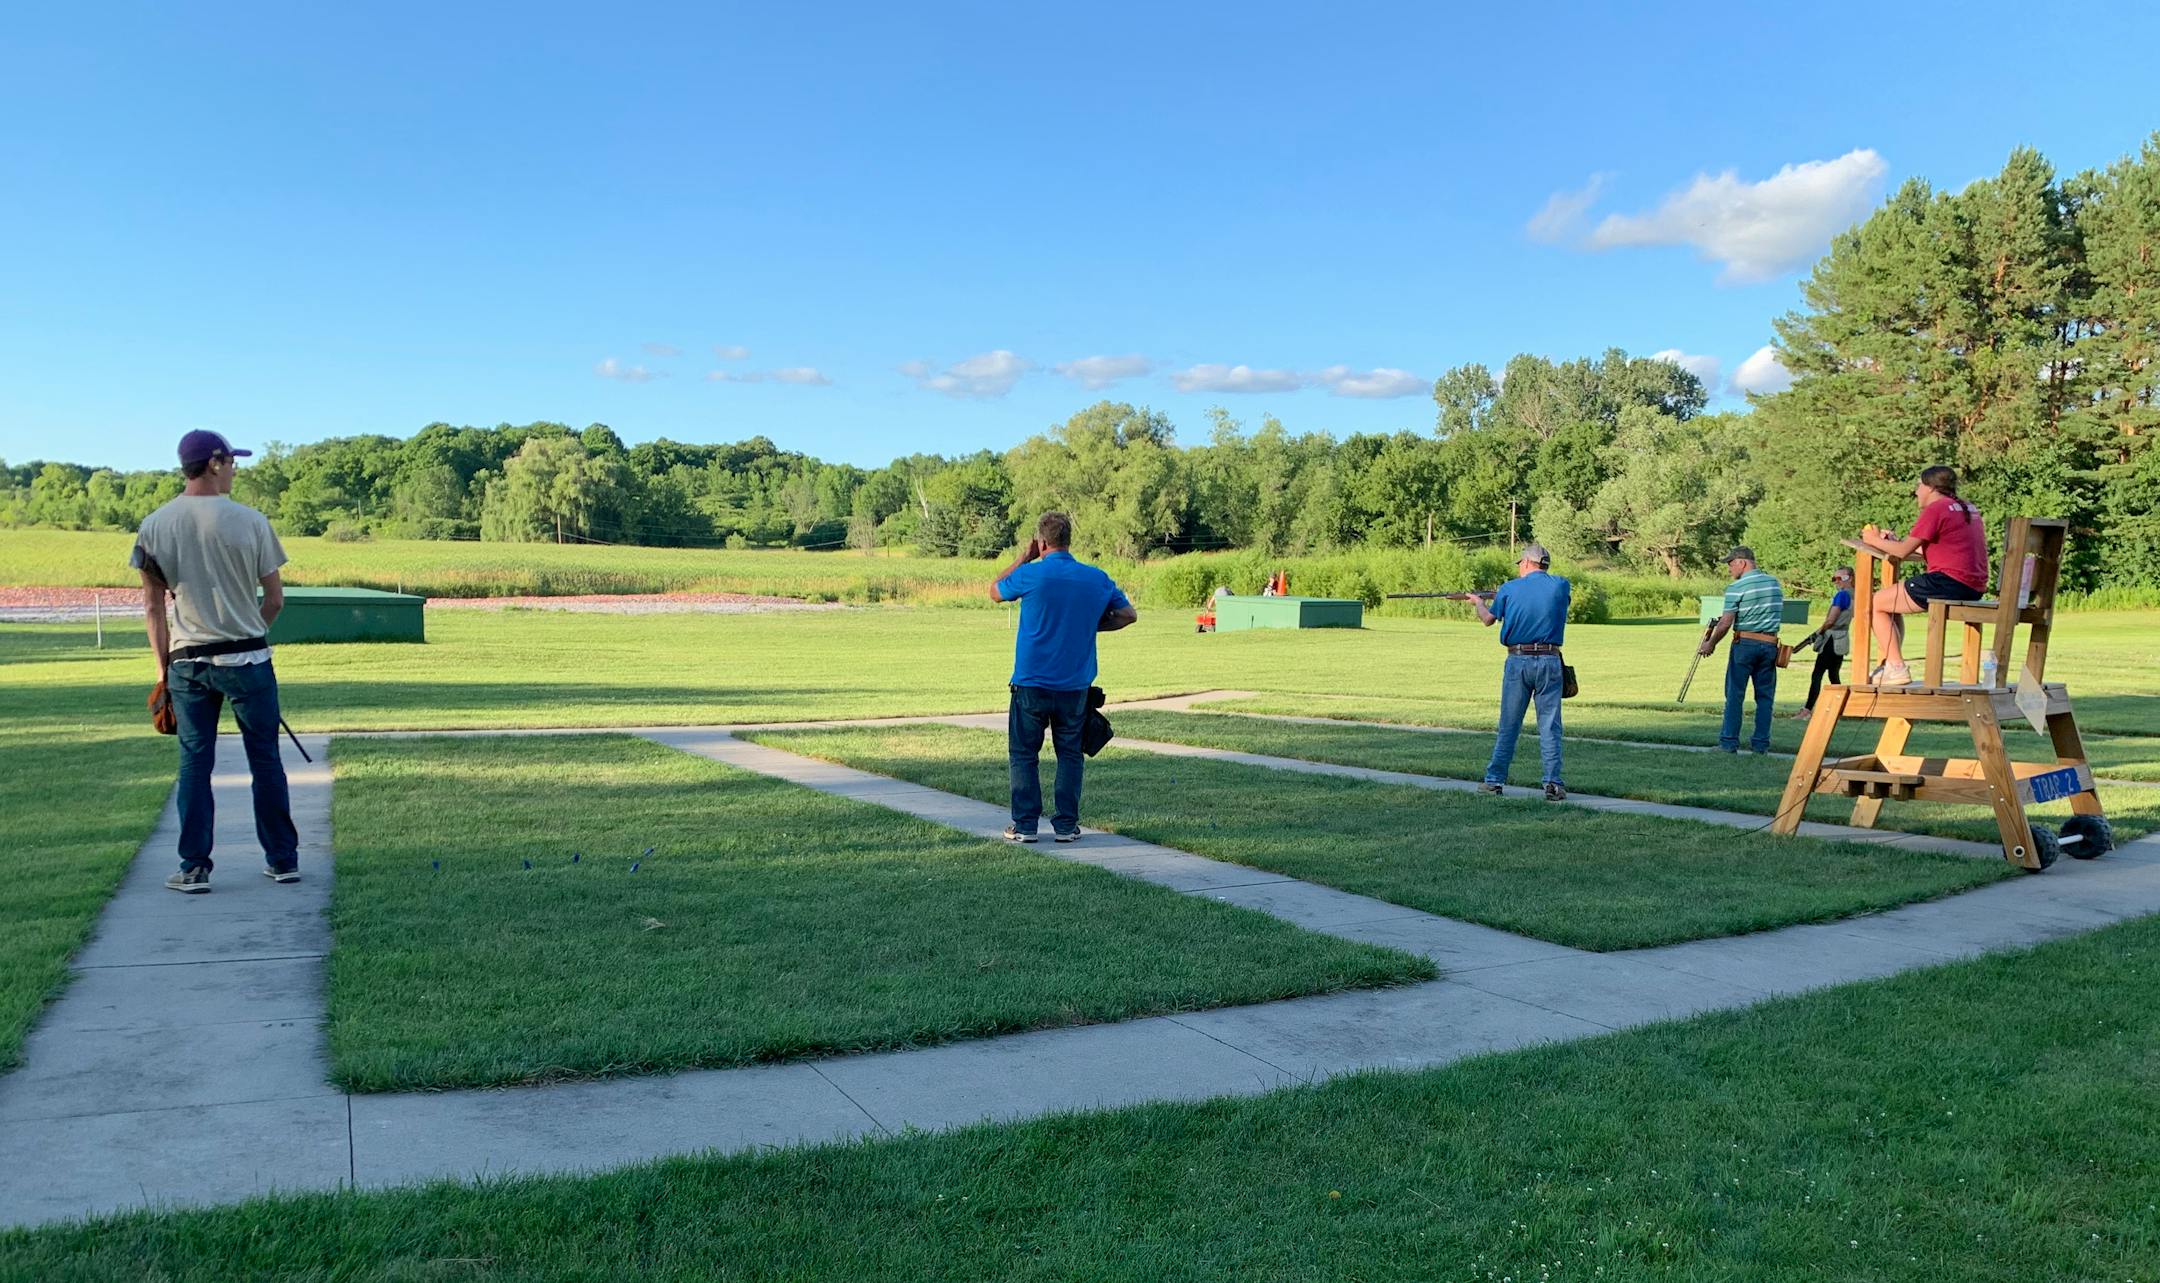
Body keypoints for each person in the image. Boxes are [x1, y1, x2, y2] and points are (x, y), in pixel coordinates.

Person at [133, 431, 300, 893]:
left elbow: (152, 607)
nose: (234, 470)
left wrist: (162, 670)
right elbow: (275, 598)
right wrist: (252, 630)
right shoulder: (250, 521)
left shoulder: (154, 526)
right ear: (213, 463)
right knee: (265, 761)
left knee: (194, 764)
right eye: (230, 462)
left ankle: (193, 867)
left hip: (187, 663)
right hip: (248, 659)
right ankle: (283, 859)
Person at [988, 512, 1138, 842]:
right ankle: (1067, 826)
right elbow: (1128, 615)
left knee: (1024, 754)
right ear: (1069, 540)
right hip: (1075, 686)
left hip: (1031, 683)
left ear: (1041, 542)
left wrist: (1022, 557)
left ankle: (1025, 825)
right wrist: (1090, 624)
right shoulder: (1096, 578)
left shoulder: (1031, 574)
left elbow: (995, 592)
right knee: (1070, 755)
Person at [1857, 465, 1989, 686]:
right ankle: (1892, 663)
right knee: (1890, 602)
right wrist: (1893, 543)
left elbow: (1901, 552)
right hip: (1972, 585)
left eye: (1918, 486)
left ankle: (1896, 667)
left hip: (1948, 581)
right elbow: (1931, 547)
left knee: (1874, 603)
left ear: (1930, 487)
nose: (1916, 491)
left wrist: (1872, 539)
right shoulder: (1965, 507)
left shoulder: (1937, 509)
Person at [1468, 544, 1570, 800]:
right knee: (1550, 726)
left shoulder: (1509, 588)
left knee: (1509, 724)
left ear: (1525, 563)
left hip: (1518, 659)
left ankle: (1494, 781)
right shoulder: (1561, 585)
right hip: (1550, 659)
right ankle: (1553, 784)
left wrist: (1479, 602)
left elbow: (1489, 620)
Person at [1699, 546, 1784, 754]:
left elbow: (1726, 622)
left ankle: (1728, 743)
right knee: (1765, 697)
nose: (1729, 568)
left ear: (1742, 562)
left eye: (1730, 564)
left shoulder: (1736, 587)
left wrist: (1710, 643)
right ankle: (1761, 745)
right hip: (1770, 644)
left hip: (1745, 643)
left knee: (1735, 694)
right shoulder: (1774, 583)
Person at [1794, 566, 1855, 721]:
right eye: (1835, 578)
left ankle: (1807, 710)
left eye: (1841, 578)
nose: (1837, 582)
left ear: (1851, 578)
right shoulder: (1856, 595)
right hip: (1842, 638)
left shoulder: (1841, 595)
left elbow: (1830, 620)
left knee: (1817, 675)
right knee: (1833, 676)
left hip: (1831, 639)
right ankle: (1843, 708)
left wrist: (1818, 633)